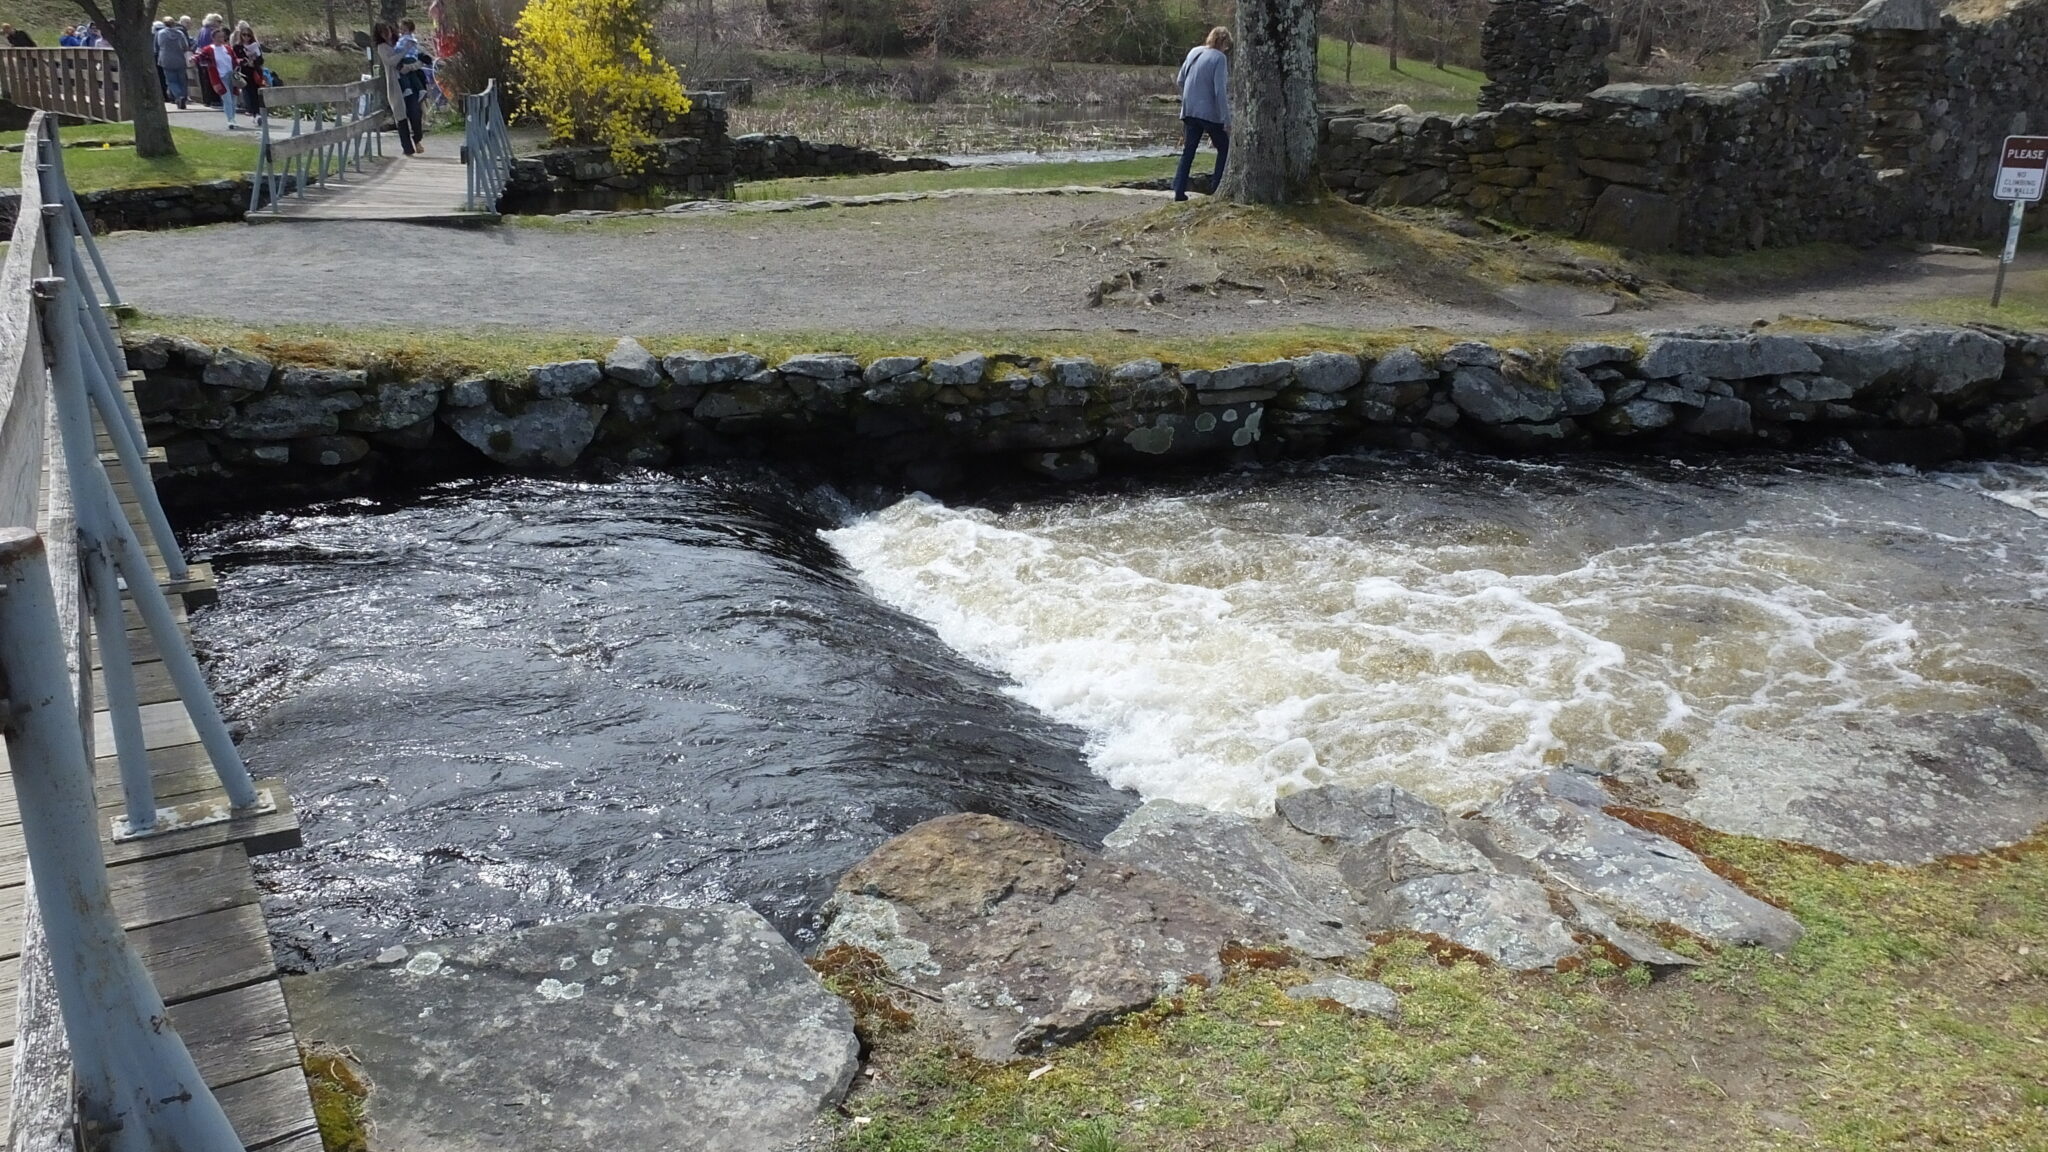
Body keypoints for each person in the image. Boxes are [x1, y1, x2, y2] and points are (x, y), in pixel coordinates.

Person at [1173, 27, 1231, 201]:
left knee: (1188, 151)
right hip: (1208, 114)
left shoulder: (1194, 52)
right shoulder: (1219, 58)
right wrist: (1226, 118)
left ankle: (1179, 189)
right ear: (1223, 42)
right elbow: (1219, 90)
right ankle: (1216, 187)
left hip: (1189, 110)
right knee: (1224, 148)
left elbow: (1180, 80)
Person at [371, 22, 422, 156]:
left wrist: (411, 65)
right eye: (382, 32)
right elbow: (391, 62)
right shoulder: (382, 48)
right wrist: (404, 51)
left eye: (387, 30)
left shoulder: (400, 41)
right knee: (401, 117)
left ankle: (417, 138)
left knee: (415, 113)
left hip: (410, 83)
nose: (386, 34)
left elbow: (415, 57)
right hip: (396, 87)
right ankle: (407, 149)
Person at [201, 24, 237, 128]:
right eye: (219, 37)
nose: (222, 39)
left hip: (231, 75)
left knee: (233, 98)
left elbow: (234, 60)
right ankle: (230, 119)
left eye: (223, 37)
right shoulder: (209, 49)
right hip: (220, 77)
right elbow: (200, 56)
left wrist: (241, 62)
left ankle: (233, 118)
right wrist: (194, 59)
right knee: (227, 99)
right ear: (213, 38)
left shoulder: (228, 48)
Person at [155, 15, 192, 108]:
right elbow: (185, 46)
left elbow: (156, 47)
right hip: (179, 59)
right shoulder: (180, 33)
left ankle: (179, 96)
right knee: (182, 80)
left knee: (171, 81)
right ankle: (183, 96)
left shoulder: (160, 33)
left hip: (166, 59)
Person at [231, 21, 263, 115]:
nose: (246, 37)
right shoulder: (237, 47)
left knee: (256, 91)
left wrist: (254, 62)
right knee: (247, 91)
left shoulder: (255, 46)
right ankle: (251, 110)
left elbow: (261, 60)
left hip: (254, 71)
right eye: (244, 35)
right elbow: (235, 59)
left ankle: (257, 111)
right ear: (240, 35)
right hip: (244, 71)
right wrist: (244, 61)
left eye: (248, 35)